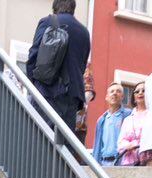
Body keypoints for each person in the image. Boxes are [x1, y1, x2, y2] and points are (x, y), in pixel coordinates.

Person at [26, 0, 92, 140]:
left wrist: (33, 84)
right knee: (63, 144)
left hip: (48, 91)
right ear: (73, 8)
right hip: (73, 97)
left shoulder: (47, 22)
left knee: (41, 139)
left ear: (55, 8)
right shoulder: (84, 32)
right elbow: (82, 65)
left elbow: (33, 55)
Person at [91, 84, 130, 165]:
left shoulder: (128, 115)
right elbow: (97, 145)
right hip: (103, 163)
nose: (115, 93)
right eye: (112, 91)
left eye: (118, 91)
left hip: (122, 162)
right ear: (107, 97)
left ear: (122, 97)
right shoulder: (101, 120)